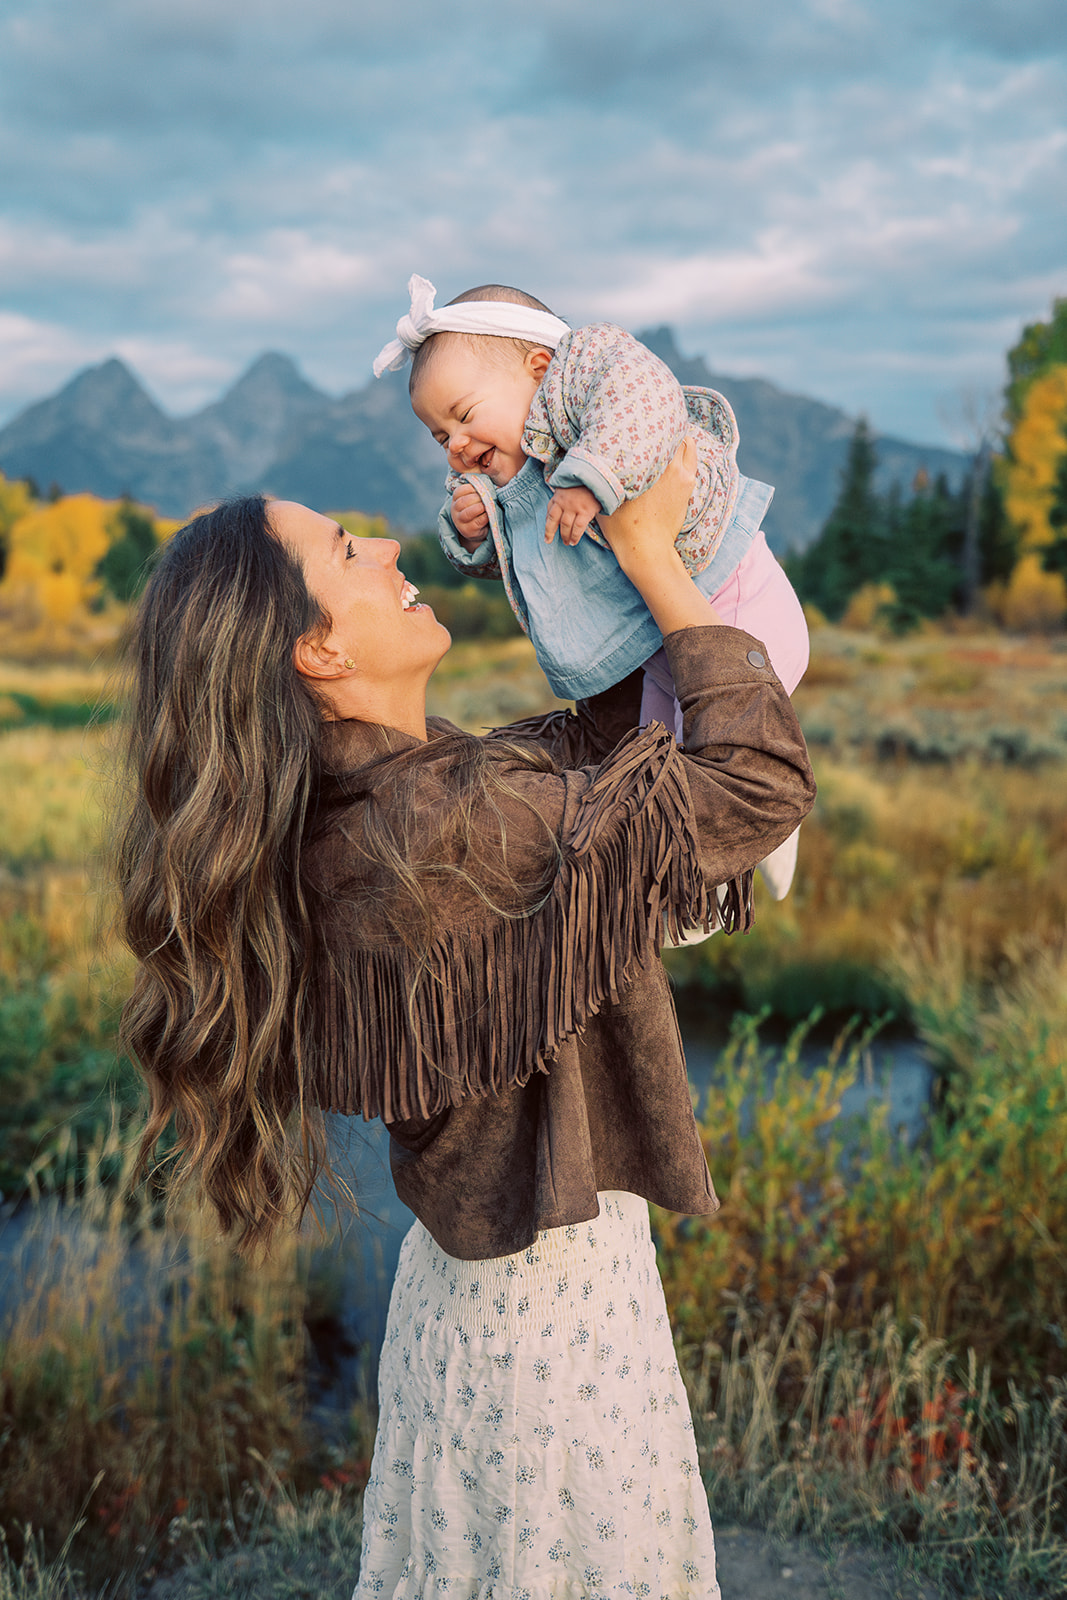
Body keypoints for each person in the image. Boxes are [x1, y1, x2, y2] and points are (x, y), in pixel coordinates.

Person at [116, 452, 815, 1599]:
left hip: (473, 1305)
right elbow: (751, 782)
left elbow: (583, 767)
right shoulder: (449, 827)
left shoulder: (375, 808)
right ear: (319, 652)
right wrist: (651, 558)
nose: (387, 548)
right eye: (347, 552)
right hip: (553, 1331)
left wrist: (553, 547)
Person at [376, 274, 809, 903]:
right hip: (658, 646)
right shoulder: (505, 469)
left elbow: (644, 403)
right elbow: (519, 556)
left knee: (695, 773)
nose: (458, 448)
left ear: (539, 366)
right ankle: (727, 851)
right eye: (442, 438)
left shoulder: (587, 375)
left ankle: (715, 875)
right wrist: (470, 531)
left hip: (728, 604)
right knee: (653, 767)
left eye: (465, 417)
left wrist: (593, 475)